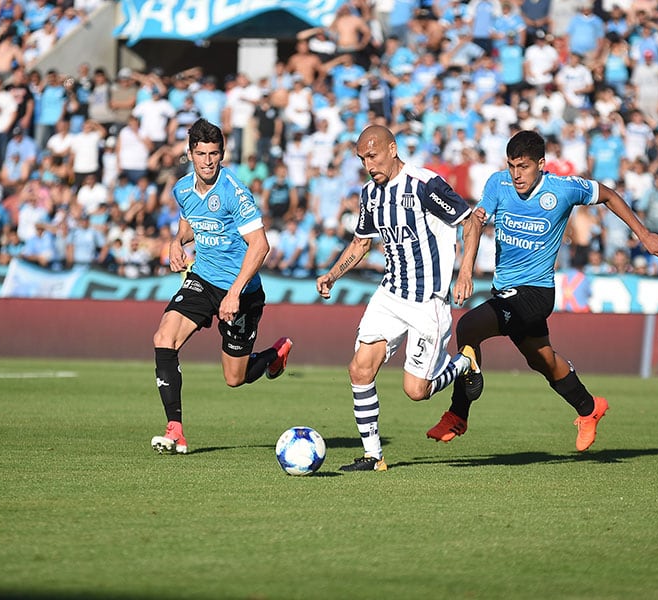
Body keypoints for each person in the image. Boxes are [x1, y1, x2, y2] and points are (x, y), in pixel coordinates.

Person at [426, 130, 658, 451]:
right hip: (505, 291)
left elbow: (610, 195)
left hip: (535, 293)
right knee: (543, 362)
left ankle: (458, 413)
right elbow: (475, 222)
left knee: (468, 326)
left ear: (541, 164)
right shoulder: (498, 183)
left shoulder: (563, 189)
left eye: (523, 167)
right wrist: (465, 270)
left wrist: (644, 235)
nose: (516, 174)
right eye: (511, 166)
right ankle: (589, 409)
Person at [315, 124, 482, 472]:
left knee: (416, 391)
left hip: (427, 301)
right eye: (362, 159)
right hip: (390, 294)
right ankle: (373, 455)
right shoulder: (369, 194)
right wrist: (333, 273)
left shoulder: (425, 185)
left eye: (372, 156)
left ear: (393, 149)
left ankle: (465, 362)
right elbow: (361, 243)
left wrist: (465, 272)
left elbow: (471, 222)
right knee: (359, 369)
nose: (368, 165)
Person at [150, 119, 293, 455]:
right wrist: (176, 241)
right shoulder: (182, 189)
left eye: (214, 153)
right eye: (201, 154)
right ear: (190, 154)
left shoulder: (234, 191)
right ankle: (175, 431)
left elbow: (260, 246)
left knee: (234, 378)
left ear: (222, 154)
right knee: (163, 338)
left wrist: (234, 293)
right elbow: (190, 223)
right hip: (202, 279)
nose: (208, 161)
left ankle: (274, 354)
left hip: (241, 291)